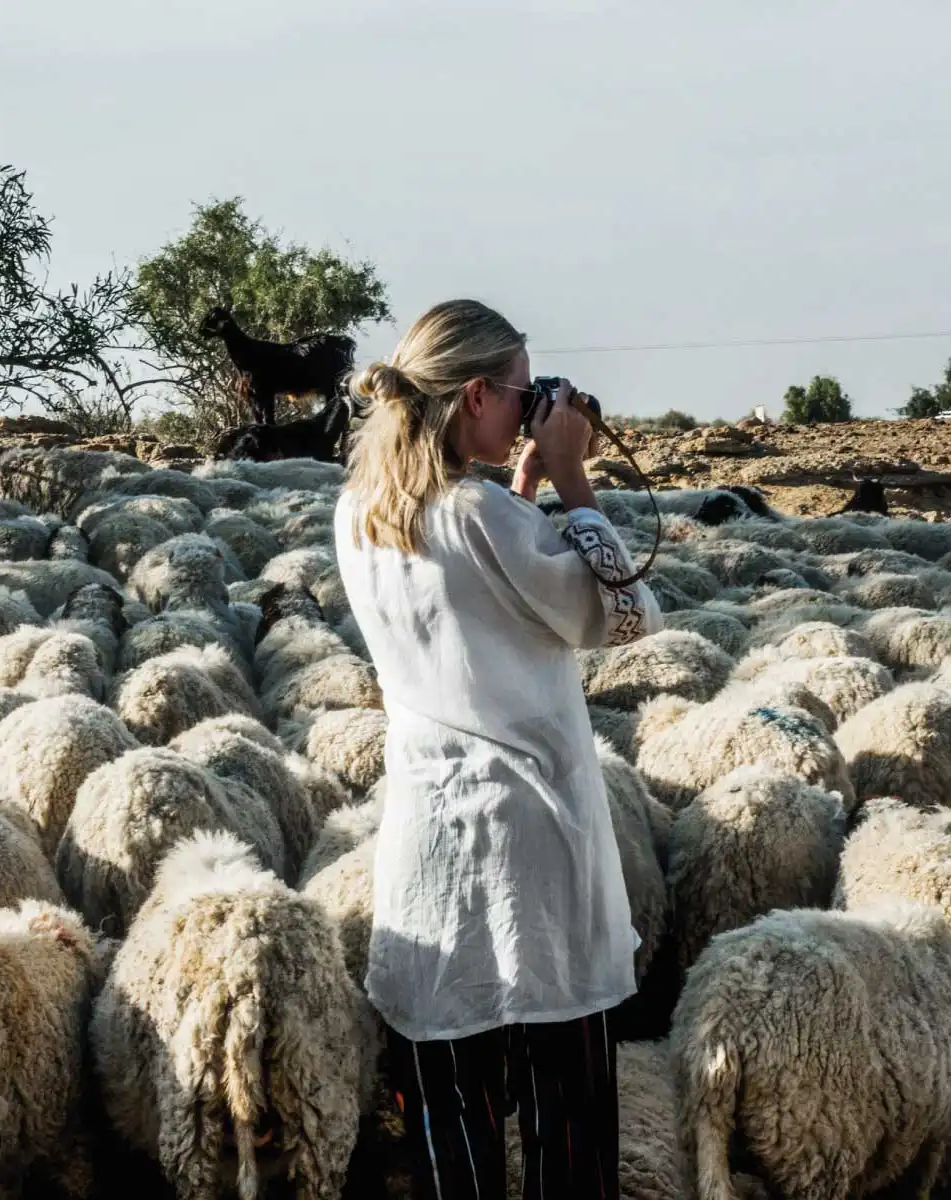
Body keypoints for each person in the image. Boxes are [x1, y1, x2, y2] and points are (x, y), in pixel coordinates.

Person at [333, 298, 663, 1199]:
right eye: (524, 392)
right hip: (536, 851)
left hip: (432, 859)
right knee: (567, 1137)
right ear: (476, 395)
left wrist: (518, 490)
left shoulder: (360, 514)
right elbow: (625, 613)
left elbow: (477, 594)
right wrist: (570, 478)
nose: (534, 406)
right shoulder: (485, 518)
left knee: (453, 1131)